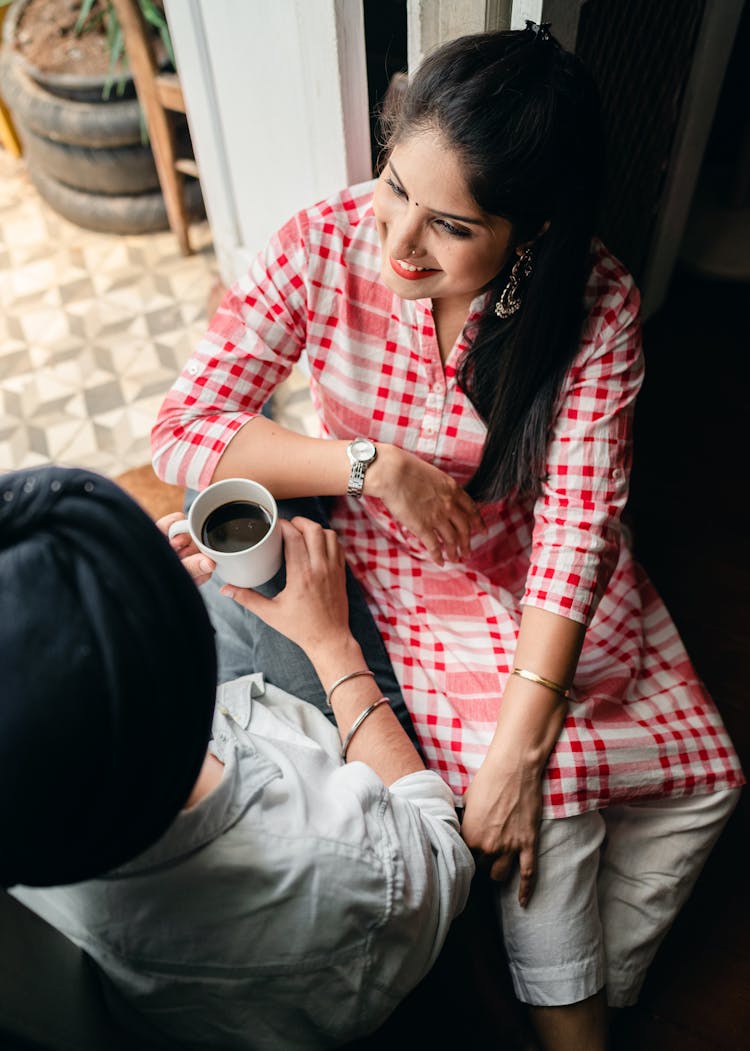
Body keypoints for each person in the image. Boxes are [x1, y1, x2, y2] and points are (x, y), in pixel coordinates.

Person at [151, 23, 744, 1051]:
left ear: (534, 231)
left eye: (452, 226)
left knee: (701, 779)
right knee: (554, 808)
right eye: (393, 185)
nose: (398, 244)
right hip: (408, 567)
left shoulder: (596, 304)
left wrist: (519, 742)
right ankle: (577, 1017)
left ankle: (586, 980)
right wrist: (369, 464)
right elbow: (183, 432)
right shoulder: (325, 242)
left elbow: (577, 526)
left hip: (552, 572)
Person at [0, 465, 474, 1050]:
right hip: (328, 738)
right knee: (253, 480)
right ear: (184, 666)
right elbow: (440, 844)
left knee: (225, 487)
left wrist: (124, 615)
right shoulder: (349, 867)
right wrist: (332, 646)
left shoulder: (33, 808)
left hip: (212, 735)